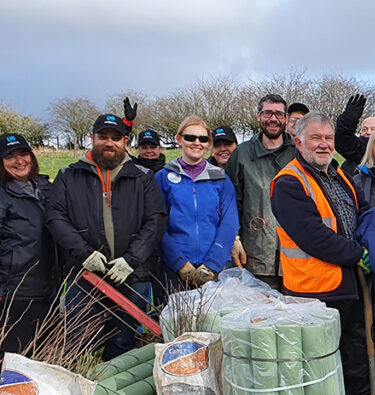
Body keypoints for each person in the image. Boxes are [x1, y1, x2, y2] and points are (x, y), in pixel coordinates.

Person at [269, 111, 375, 395]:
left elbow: (359, 211)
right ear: (298, 141)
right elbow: (312, 236)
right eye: (316, 138)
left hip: (347, 282)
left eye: (328, 138)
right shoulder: (288, 182)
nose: (324, 144)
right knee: (319, 357)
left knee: (354, 345)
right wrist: (357, 253)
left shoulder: (338, 174)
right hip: (312, 288)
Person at [47, 114, 166, 359]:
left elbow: (156, 219)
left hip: (133, 276)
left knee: (123, 342)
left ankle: (113, 391)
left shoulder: (142, 176)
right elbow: (56, 218)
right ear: (92, 138)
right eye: (103, 137)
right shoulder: (68, 176)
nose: (109, 143)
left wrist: (131, 259)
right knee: (77, 340)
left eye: (116, 138)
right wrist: (83, 253)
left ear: (125, 142)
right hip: (86, 275)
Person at [154, 116, 238, 295]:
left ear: (208, 143)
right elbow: (156, 224)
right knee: (177, 323)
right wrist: (179, 263)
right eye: (190, 137)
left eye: (203, 139)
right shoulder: (162, 178)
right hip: (174, 269)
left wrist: (212, 264)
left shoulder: (221, 179)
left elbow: (229, 223)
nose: (197, 143)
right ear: (179, 139)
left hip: (214, 269)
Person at [224, 93, 295, 289]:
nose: (273, 119)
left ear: (286, 119)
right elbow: (231, 203)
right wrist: (234, 239)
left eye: (279, 114)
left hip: (296, 258)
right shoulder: (242, 154)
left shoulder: (298, 153)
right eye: (268, 113)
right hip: (256, 256)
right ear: (258, 116)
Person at [0, 134, 55, 354]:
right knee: (16, 356)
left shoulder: (45, 187)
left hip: (49, 287)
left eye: (23, 154)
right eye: (10, 157)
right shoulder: (3, 195)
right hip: (15, 292)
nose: (19, 161)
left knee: (41, 354)